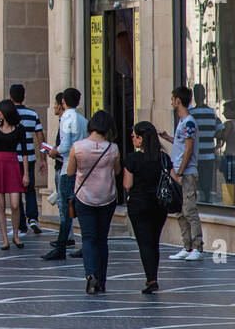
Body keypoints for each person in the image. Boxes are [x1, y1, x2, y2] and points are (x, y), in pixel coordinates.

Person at [65, 110, 121, 295]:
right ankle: (102, 280)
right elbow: (118, 171)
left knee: (88, 238)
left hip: (85, 197)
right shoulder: (113, 148)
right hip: (107, 197)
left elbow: (71, 171)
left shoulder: (78, 147)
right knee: (102, 239)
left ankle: (90, 276)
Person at [123, 121, 171, 294]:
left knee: (144, 243)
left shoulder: (133, 159)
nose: (133, 140)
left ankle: (151, 279)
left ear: (141, 139)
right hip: (159, 205)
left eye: (134, 136)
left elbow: (127, 184)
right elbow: (175, 180)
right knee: (154, 241)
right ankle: (153, 276)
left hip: (139, 204)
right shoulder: (163, 158)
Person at [160, 86, 203, 261]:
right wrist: (167, 137)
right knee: (180, 211)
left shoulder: (189, 122)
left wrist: (180, 171)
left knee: (189, 210)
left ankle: (197, 247)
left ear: (178, 100)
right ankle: (187, 245)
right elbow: (181, 143)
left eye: (172, 99)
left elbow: (189, 148)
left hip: (186, 173)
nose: (171, 102)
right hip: (180, 172)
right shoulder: (183, 123)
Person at [45, 87, 88, 261]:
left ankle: (61, 245)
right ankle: (86, 244)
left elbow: (64, 145)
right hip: (82, 167)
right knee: (81, 206)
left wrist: (53, 151)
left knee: (66, 208)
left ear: (63, 102)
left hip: (68, 168)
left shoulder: (66, 119)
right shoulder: (83, 120)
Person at [1, 83, 46, 235]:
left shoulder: (5, 114)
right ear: (24, 96)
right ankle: (33, 218)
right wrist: (43, 159)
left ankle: (20, 224)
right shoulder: (32, 114)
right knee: (30, 189)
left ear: (10, 97)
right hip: (30, 157)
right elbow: (41, 138)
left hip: (12, 158)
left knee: (15, 191)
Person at [0, 100, 28, 249]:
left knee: (16, 204)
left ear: (5, 112)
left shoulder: (20, 129)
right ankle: (5, 239)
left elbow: (24, 153)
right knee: (1, 205)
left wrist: (26, 174)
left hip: (12, 165)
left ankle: (15, 235)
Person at [188, 84, 220, 203]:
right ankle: (206, 199)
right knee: (207, 180)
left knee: (198, 181)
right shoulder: (211, 112)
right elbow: (220, 129)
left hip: (195, 154)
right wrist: (219, 144)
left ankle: (201, 200)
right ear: (205, 95)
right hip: (208, 153)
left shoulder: (191, 113)